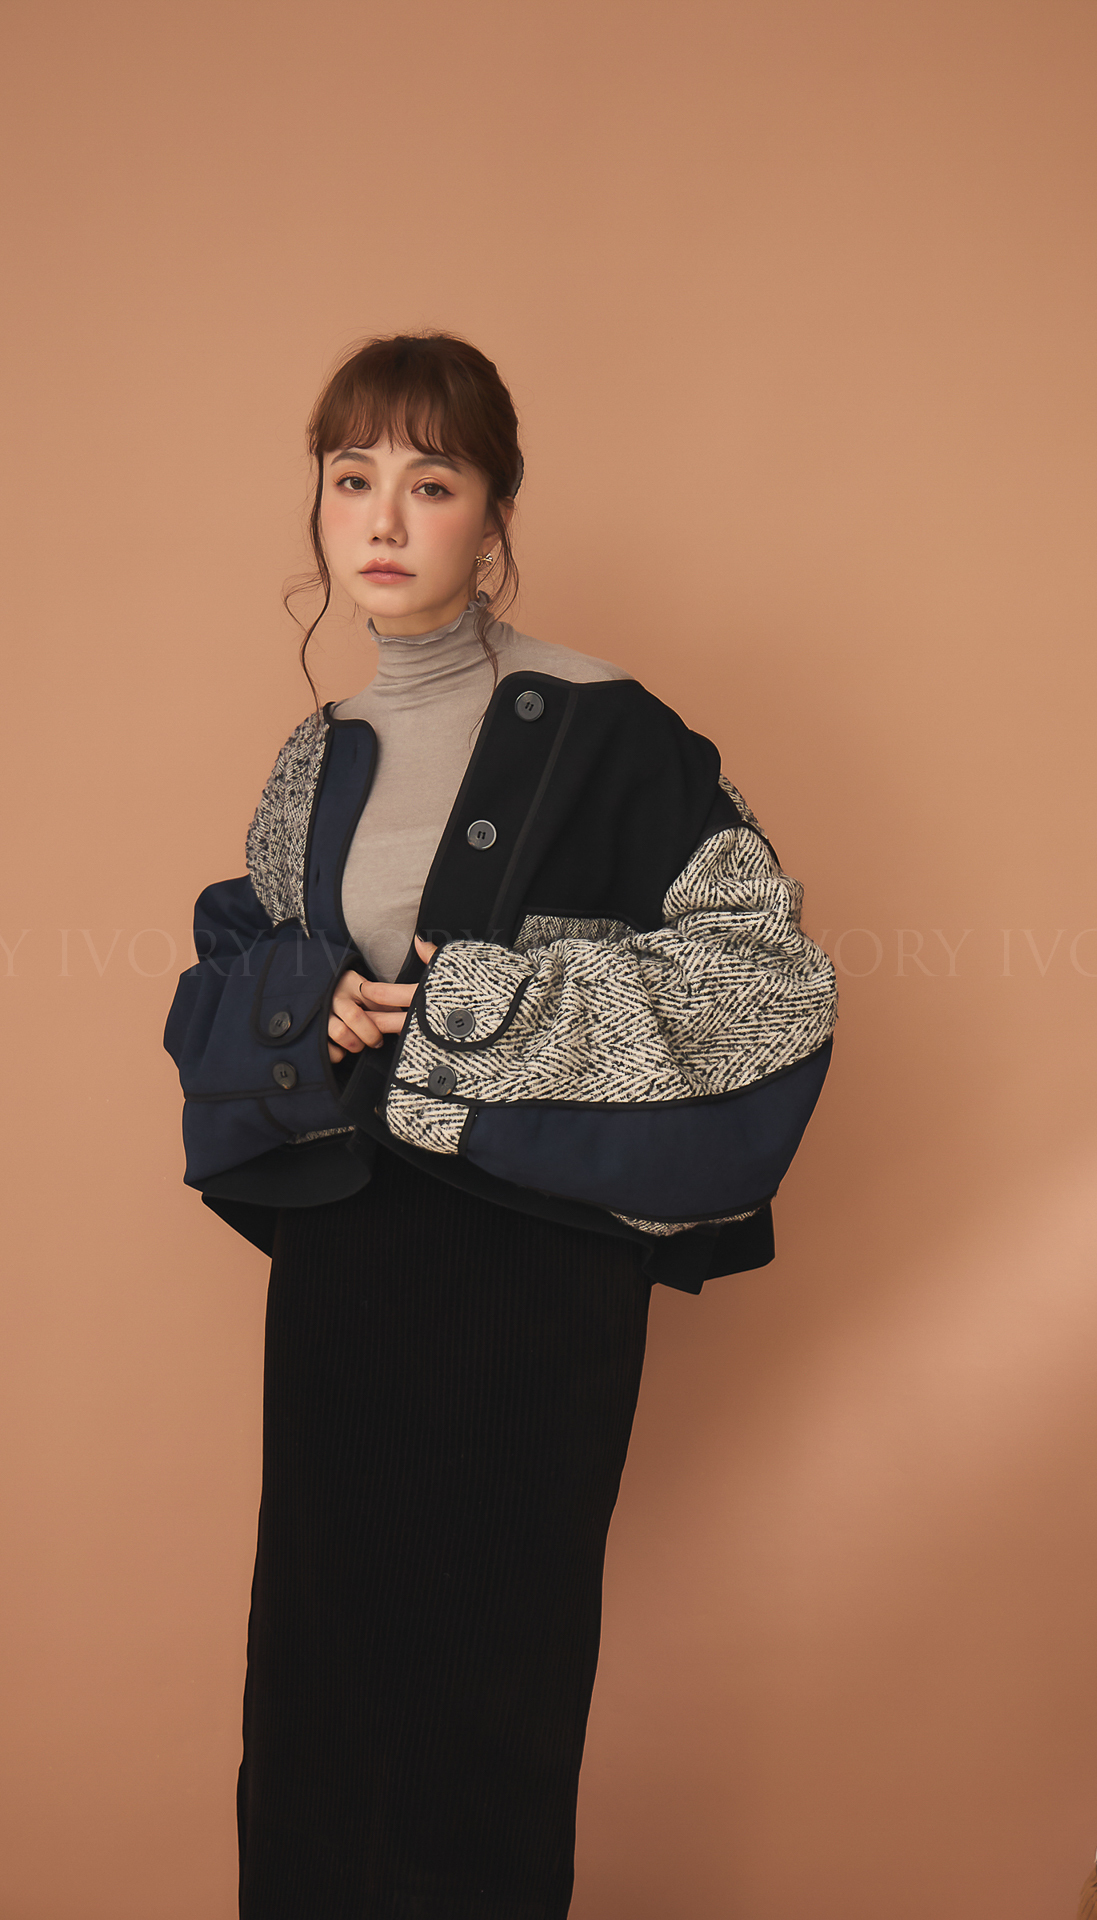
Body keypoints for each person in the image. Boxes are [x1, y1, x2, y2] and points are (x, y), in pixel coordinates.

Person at [164, 331, 837, 1919]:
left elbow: (767, 984)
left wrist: (475, 1010)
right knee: (317, 1676)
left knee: (486, 1690)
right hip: (343, 1265)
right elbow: (241, 971)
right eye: (353, 480)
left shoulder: (612, 731)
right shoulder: (315, 759)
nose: (385, 518)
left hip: (532, 1283)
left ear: (494, 513)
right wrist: (307, 1008)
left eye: (432, 481)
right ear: (321, 508)